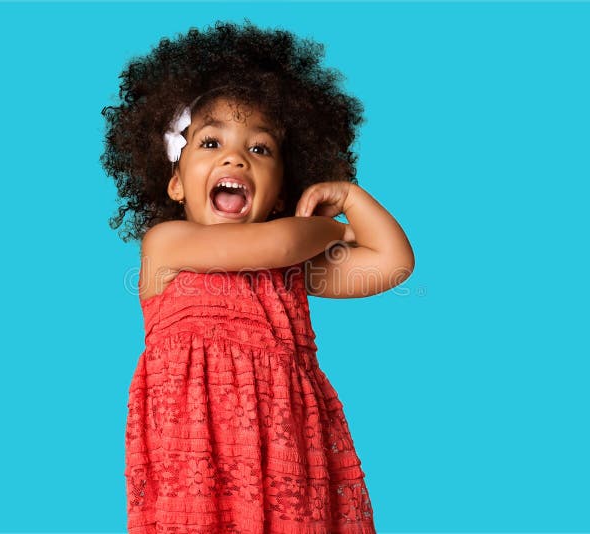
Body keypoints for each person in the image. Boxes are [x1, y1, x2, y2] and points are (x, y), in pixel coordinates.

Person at [101, 19, 414, 533]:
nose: (235, 157)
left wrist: (351, 198)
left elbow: (393, 261)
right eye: (209, 143)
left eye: (260, 149)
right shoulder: (167, 246)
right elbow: (283, 240)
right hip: (197, 460)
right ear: (176, 184)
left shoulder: (290, 270)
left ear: (282, 193)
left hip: (289, 454)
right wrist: (327, 228)